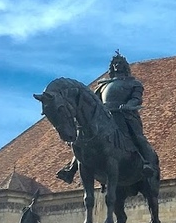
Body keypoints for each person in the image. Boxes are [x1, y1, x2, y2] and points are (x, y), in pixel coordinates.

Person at [56, 51, 155, 183]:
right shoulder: (103, 85)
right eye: (114, 63)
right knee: (82, 139)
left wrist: (127, 105)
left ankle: (146, 163)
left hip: (123, 115)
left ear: (125, 66)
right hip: (104, 117)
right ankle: (71, 169)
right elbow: (93, 101)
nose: (117, 66)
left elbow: (136, 99)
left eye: (119, 63)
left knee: (138, 137)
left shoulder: (133, 83)